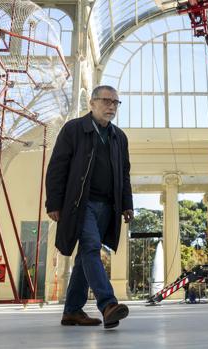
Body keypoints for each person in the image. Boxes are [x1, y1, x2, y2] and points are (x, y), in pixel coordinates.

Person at [46, 85, 134, 329]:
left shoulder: (119, 137)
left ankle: (72, 311)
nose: (111, 106)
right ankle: (108, 304)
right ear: (92, 103)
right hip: (79, 205)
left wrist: (127, 203)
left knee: (86, 254)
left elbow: (124, 174)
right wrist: (53, 202)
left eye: (116, 103)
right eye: (106, 101)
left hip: (108, 207)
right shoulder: (74, 129)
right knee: (92, 247)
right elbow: (57, 168)